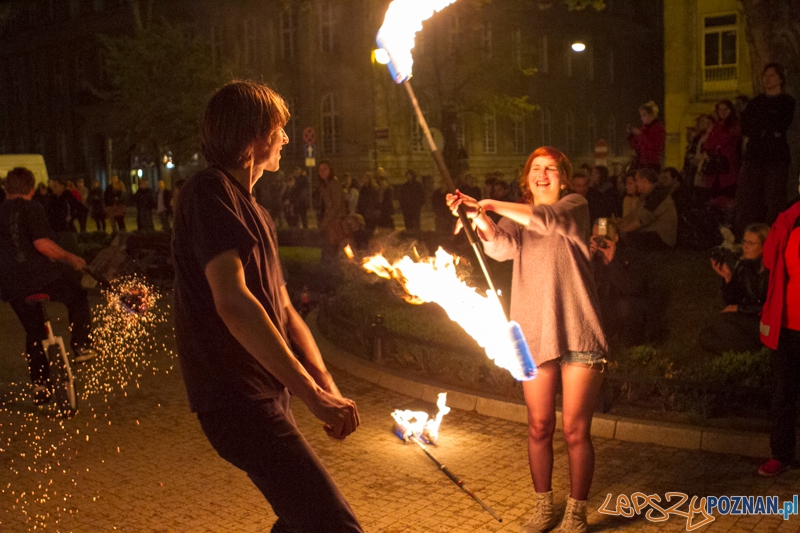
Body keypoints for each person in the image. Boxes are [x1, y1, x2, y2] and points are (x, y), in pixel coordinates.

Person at [171, 80, 362, 530]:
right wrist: (312, 395)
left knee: (299, 520)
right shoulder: (209, 191)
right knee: (335, 525)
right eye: (279, 129)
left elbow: (285, 310)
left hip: (266, 394)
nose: (286, 139)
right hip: (235, 398)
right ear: (254, 136)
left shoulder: (255, 209)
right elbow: (233, 301)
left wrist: (324, 384)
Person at [447, 146, 608, 533]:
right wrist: (479, 216)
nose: (543, 174)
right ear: (528, 177)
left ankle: (575, 512)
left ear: (563, 178)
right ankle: (543, 507)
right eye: (536, 168)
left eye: (551, 168)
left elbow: (549, 220)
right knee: (538, 425)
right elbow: (501, 248)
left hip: (579, 329)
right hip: (533, 331)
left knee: (575, 430)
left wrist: (488, 203)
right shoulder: (517, 217)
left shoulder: (575, 205)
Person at [0, 168, 96, 405]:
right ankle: (82, 345)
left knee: (34, 332)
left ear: (6, 188)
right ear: (32, 189)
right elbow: (42, 244)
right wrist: (69, 257)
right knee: (76, 294)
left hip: (12, 285)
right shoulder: (32, 208)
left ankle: (40, 385)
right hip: (41, 277)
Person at [757, 200, 800, 477]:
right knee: (783, 393)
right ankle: (781, 455)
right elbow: (769, 259)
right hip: (788, 325)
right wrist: (786, 217)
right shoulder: (790, 221)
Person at [737, 63, 796, 238]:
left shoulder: (787, 102)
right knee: (750, 198)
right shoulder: (756, 103)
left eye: (771, 76)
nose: (767, 79)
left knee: (774, 199)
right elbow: (747, 126)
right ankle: (750, 236)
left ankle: (773, 237)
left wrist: (766, 129)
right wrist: (764, 130)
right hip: (755, 156)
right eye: (765, 76)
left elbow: (781, 124)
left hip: (776, 157)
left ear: (780, 79)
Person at [699, 223, 769, 354]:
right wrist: (728, 278)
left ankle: (753, 349)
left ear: (765, 246)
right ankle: (750, 350)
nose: (745, 246)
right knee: (707, 334)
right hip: (747, 317)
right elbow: (732, 301)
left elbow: (772, 307)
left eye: (751, 243)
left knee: (720, 324)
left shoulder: (773, 271)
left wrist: (739, 308)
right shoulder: (744, 266)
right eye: (744, 241)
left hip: (766, 321)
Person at [590, 218, 650, 346]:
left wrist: (612, 262)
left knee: (625, 307)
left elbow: (630, 288)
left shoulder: (630, 253)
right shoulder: (592, 255)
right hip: (604, 305)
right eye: (595, 238)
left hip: (628, 303)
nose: (600, 242)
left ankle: (628, 341)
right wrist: (588, 259)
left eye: (603, 238)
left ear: (615, 238)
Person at [618, 168, 677, 250]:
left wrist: (621, 231)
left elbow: (642, 220)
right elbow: (634, 215)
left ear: (645, 181)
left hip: (662, 237)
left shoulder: (657, 194)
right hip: (652, 232)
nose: (636, 183)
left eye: (637, 180)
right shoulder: (646, 195)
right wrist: (619, 224)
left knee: (628, 237)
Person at [700, 99, 740, 201]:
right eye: (720, 110)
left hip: (727, 165)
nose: (723, 112)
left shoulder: (734, 125)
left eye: (725, 109)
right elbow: (708, 143)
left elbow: (724, 140)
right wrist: (714, 143)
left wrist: (714, 141)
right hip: (715, 168)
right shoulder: (716, 125)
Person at [317, 160, 349, 256]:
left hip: (336, 223)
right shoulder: (325, 184)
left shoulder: (334, 183)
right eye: (320, 170)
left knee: (337, 248)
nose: (322, 172)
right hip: (331, 223)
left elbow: (336, 205)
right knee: (330, 249)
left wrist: (325, 222)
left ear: (330, 170)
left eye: (325, 169)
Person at [627, 101, 665, 171]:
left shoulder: (659, 128)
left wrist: (640, 134)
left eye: (644, 115)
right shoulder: (644, 129)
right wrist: (631, 136)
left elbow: (653, 146)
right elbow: (636, 146)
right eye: (641, 115)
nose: (642, 118)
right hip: (641, 163)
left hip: (652, 164)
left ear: (651, 115)